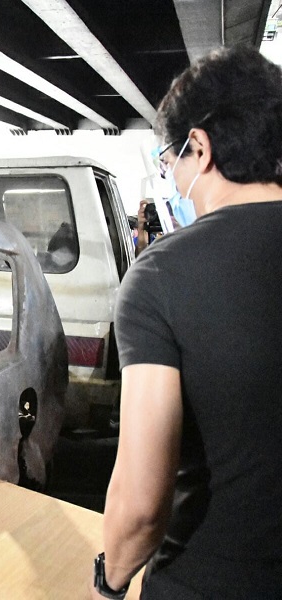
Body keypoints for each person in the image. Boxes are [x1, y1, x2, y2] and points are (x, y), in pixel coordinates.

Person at [91, 46, 282, 599]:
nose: (171, 176)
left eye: (169, 160)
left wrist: (109, 582)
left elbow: (142, 502)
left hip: (210, 580)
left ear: (199, 147)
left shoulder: (162, 277)